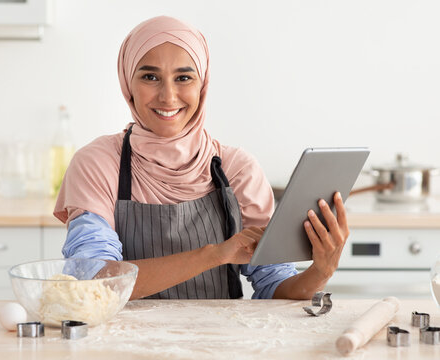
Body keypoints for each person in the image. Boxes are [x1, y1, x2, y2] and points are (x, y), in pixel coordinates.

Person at [54, 16, 349, 300]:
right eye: (149, 76)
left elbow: (276, 285)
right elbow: (94, 281)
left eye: (184, 77)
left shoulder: (238, 170)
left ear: (202, 84)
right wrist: (215, 255)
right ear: (127, 83)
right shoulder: (98, 164)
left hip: (218, 345)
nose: (168, 96)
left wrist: (320, 271)